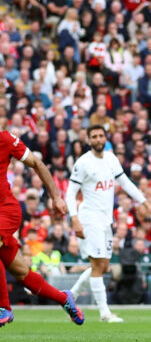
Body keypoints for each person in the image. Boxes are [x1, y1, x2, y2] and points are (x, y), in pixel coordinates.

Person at [66, 125, 151, 322]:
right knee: (97, 266)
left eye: (101, 136)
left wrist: (144, 201)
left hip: (106, 220)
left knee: (104, 266)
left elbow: (125, 183)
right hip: (90, 218)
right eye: (94, 136)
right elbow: (70, 193)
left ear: (105, 138)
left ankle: (70, 295)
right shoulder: (83, 163)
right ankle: (104, 313)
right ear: (89, 140)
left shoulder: (111, 158)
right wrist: (74, 218)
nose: (98, 139)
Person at [0, 131, 84, 327]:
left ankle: (4, 308)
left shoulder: (5, 139)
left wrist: (55, 196)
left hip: (6, 210)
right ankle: (65, 299)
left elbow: (37, 163)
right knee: (23, 275)